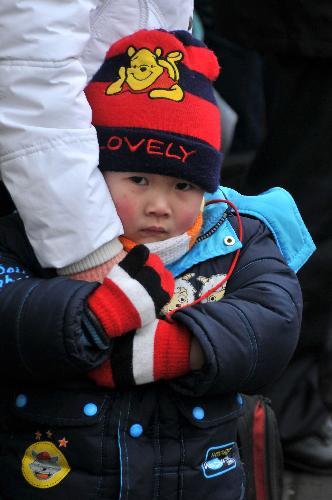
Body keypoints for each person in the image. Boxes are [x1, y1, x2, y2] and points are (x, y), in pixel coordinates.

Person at [0, 30, 314, 499]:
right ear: (93, 170)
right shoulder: (43, 236)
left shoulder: (233, 237)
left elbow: (275, 319)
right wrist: (95, 316)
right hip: (59, 473)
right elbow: (9, 310)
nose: (159, 205)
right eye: (138, 179)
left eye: (183, 186)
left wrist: (172, 350)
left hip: (198, 478)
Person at [208, 0, 332, 477]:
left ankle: (291, 395)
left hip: (306, 29)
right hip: (312, 31)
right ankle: (283, 405)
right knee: (307, 204)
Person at [0, 0, 194, 273]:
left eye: (185, 187)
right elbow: (31, 76)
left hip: (90, 182)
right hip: (43, 185)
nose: (160, 207)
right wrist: (91, 253)